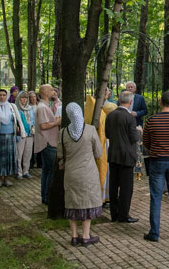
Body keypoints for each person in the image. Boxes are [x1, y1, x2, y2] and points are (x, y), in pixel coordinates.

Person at [142, 91, 169, 242]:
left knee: (156, 197)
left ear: (161, 102)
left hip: (157, 160)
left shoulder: (151, 121)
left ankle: (154, 232)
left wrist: (155, 148)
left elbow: (146, 142)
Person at [60, 102, 104, 247]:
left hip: (71, 173)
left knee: (72, 203)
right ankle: (85, 236)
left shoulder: (63, 133)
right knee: (88, 202)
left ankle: (73, 236)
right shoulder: (90, 130)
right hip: (88, 174)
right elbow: (98, 153)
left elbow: (60, 155)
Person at [105, 90, 142, 223]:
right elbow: (134, 138)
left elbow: (107, 134)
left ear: (119, 100)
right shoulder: (130, 117)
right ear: (130, 102)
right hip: (127, 156)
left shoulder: (110, 115)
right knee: (126, 188)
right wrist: (139, 132)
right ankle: (123, 215)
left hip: (113, 154)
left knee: (113, 185)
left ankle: (114, 214)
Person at [0, 88, 26, 187]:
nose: (2, 97)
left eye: (4, 95)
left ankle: (7, 178)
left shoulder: (12, 107)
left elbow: (19, 120)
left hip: (10, 136)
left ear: (7, 96)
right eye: (0, 95)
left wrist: (22, 133)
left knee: (9, 158)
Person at [34, 84, 61, 204]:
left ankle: (45, 196)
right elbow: (43, 126)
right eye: (51, 90)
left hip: (48, 141)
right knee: (50, 171)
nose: (53, 92)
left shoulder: (45, 106)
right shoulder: (42, 107)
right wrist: (57, 122)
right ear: (44, 92)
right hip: (48, 142)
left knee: (46, 170)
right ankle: (48, 196)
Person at [83, 89, 110, 205]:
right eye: (107, 92)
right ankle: (100, 197)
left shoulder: (94, 106)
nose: (108, 94)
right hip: (101, 143)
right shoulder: (95, 108)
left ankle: (103, 196)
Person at [16, 91, 35, 179]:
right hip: (21, 135)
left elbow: (33, 120)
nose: (24, 100)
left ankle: (26, 171)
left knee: (28, 153)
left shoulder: (30, 108)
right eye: (22, 98)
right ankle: (18, 172)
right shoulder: (16, 109)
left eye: (25, 98)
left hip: (30, 134)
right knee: (19, 153)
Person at [28, 90, 41, 169]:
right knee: (31, 146)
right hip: (31, 129)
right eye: (31, 97)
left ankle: (39, 162)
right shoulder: (28, 107)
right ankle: (31, 162)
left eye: (34, 97)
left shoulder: (39, 106)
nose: (33, 99)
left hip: (39, 128)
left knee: (39, 145)